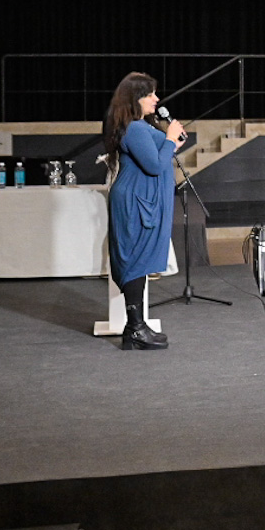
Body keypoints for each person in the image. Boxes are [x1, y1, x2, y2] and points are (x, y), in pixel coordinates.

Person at [103, 72, 184, 350]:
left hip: (143, 199)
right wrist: (170, 140)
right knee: (136, 260)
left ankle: (136, 325)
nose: (156, 99)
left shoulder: (140, 125)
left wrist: (171, 143)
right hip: (137, 201)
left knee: (142, 259)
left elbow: (156, 159)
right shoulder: (135, 128)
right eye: (150, 94)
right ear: (134, 98)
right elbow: (152, 165)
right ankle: (135, 329)